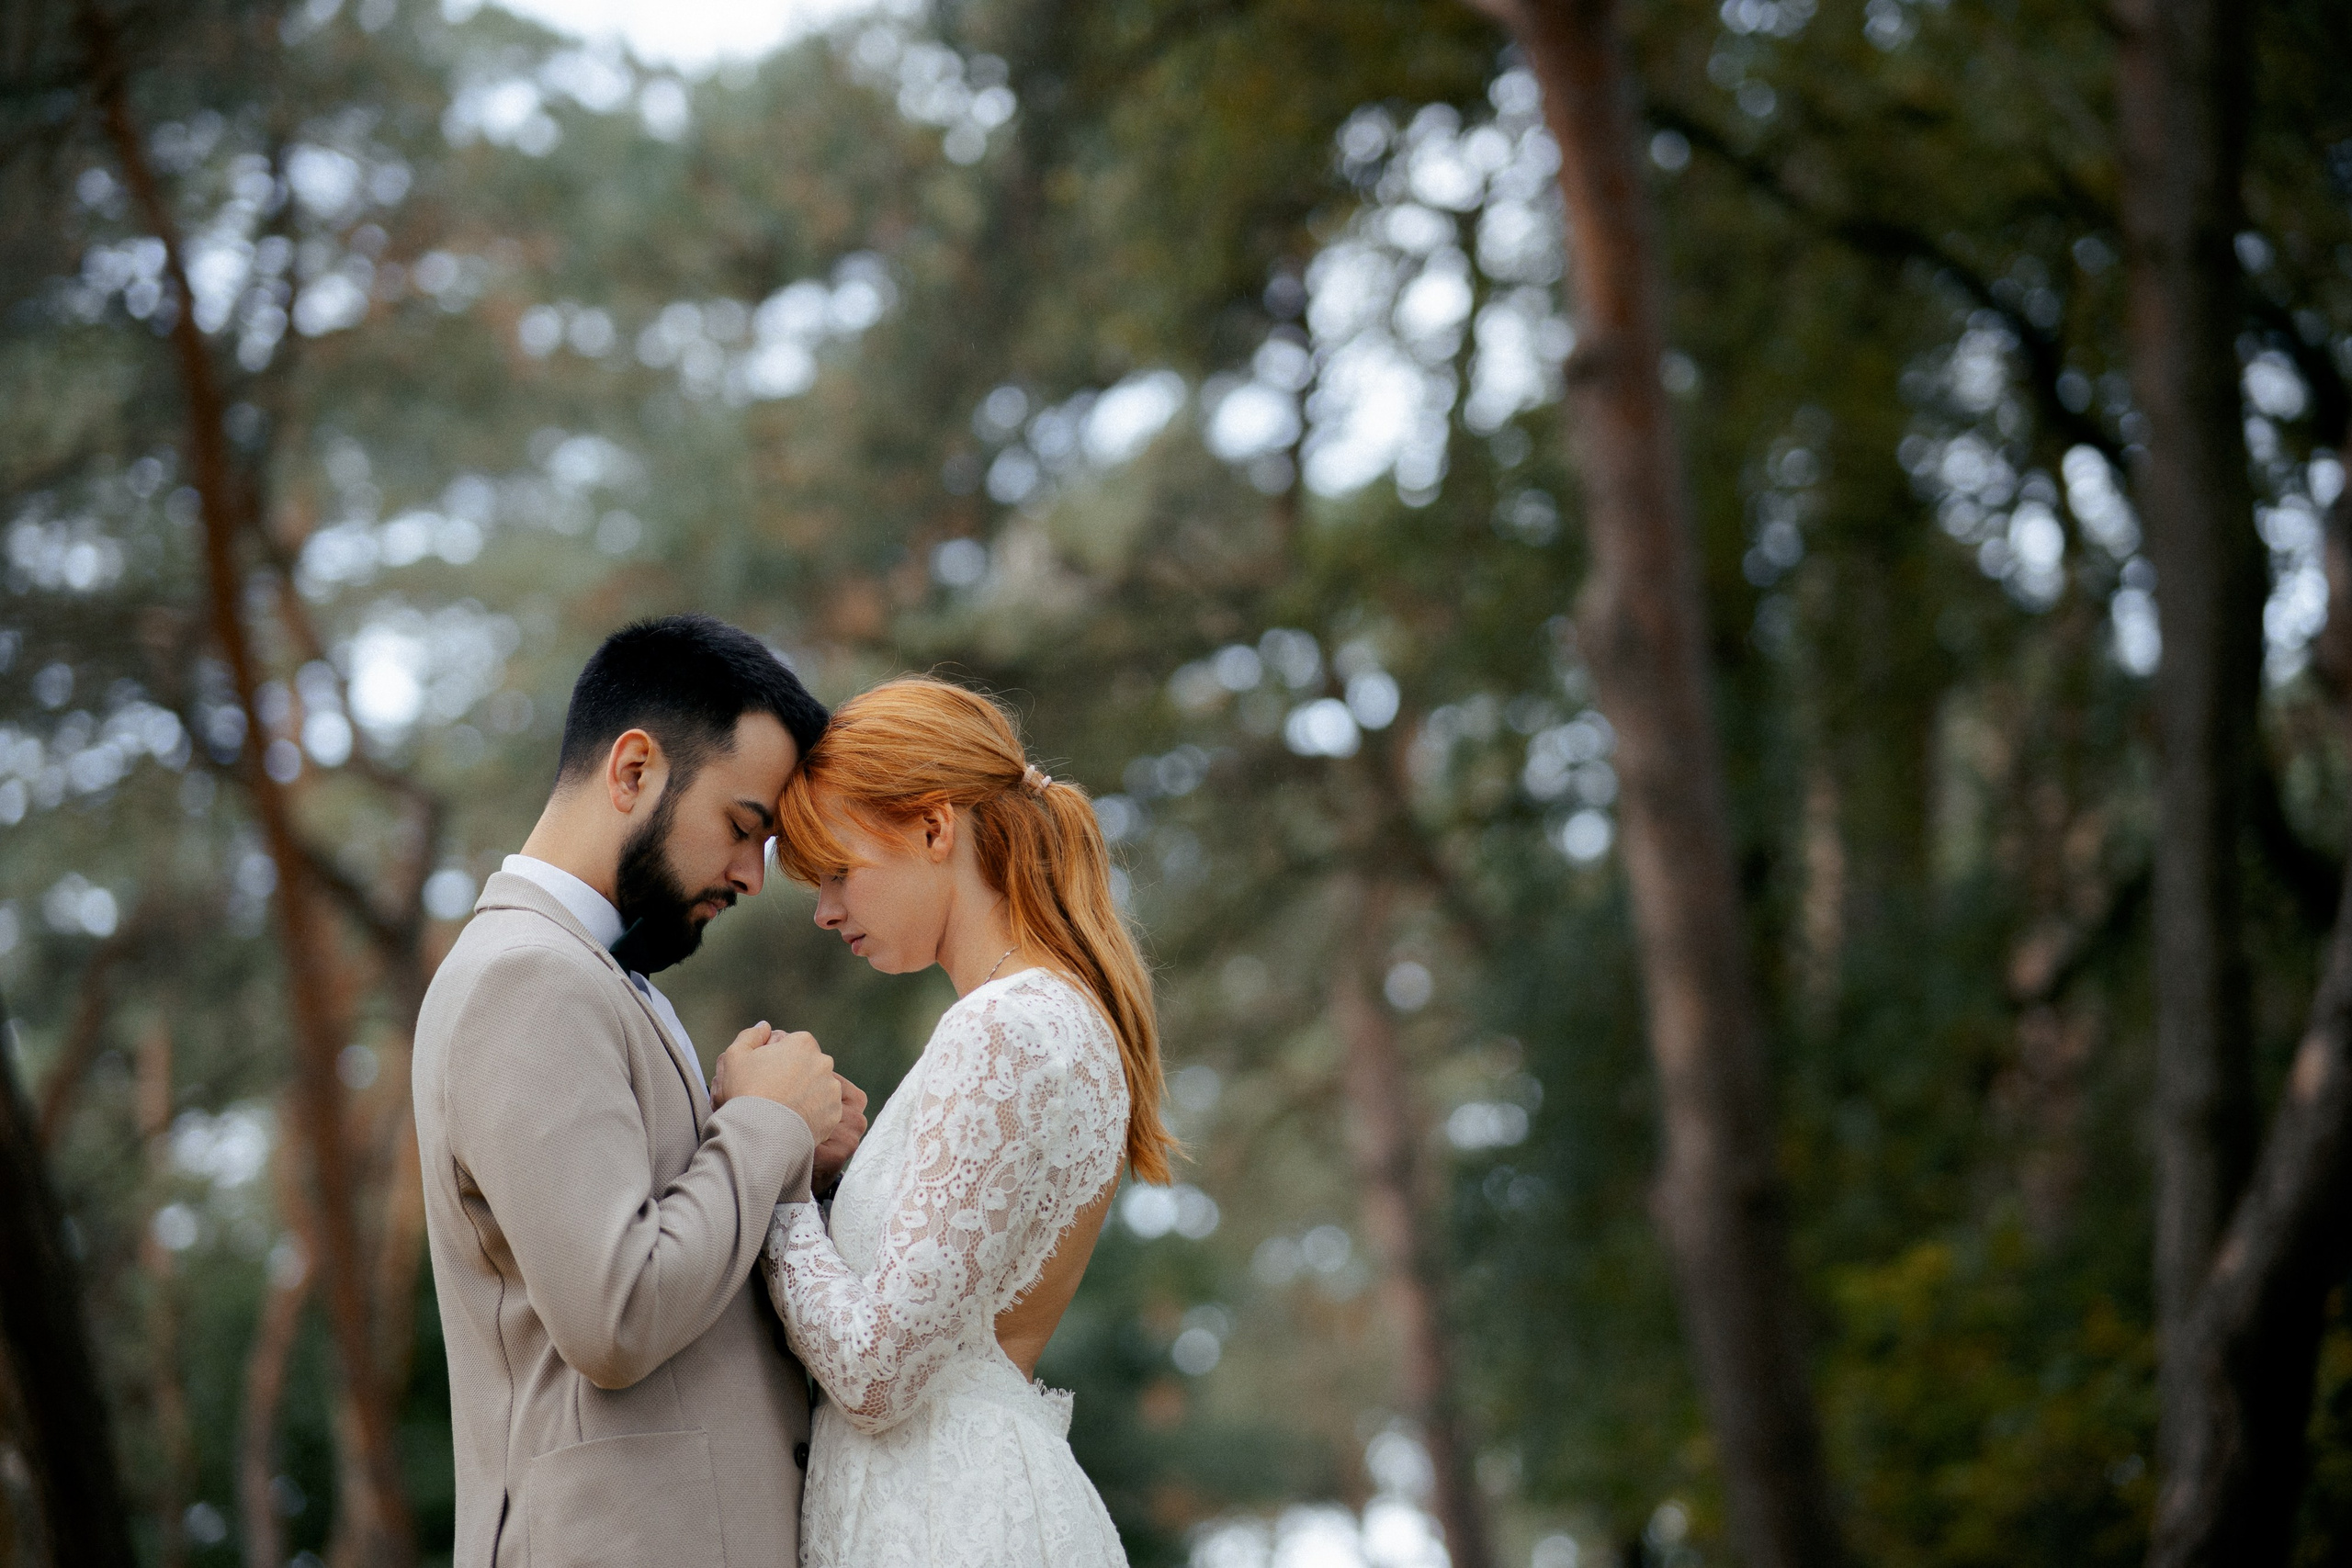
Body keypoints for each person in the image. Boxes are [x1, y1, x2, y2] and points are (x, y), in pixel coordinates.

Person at [413, 615, 866, 1568]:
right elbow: (616, 1314)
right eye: (743, 828)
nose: (751, 874)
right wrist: (761, 1123)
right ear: (633, 771)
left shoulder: (602, 976)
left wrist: (795, 1160)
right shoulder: (525, 976)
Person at [746, 675, 1177, 1568]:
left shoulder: (1004, 1028)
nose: (825, 910)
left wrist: (771, 1161)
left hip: (952, 1521)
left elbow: (874, 1370)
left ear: (934, 828)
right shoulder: (1040, 1018)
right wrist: (836, 1176)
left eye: (838, 871)